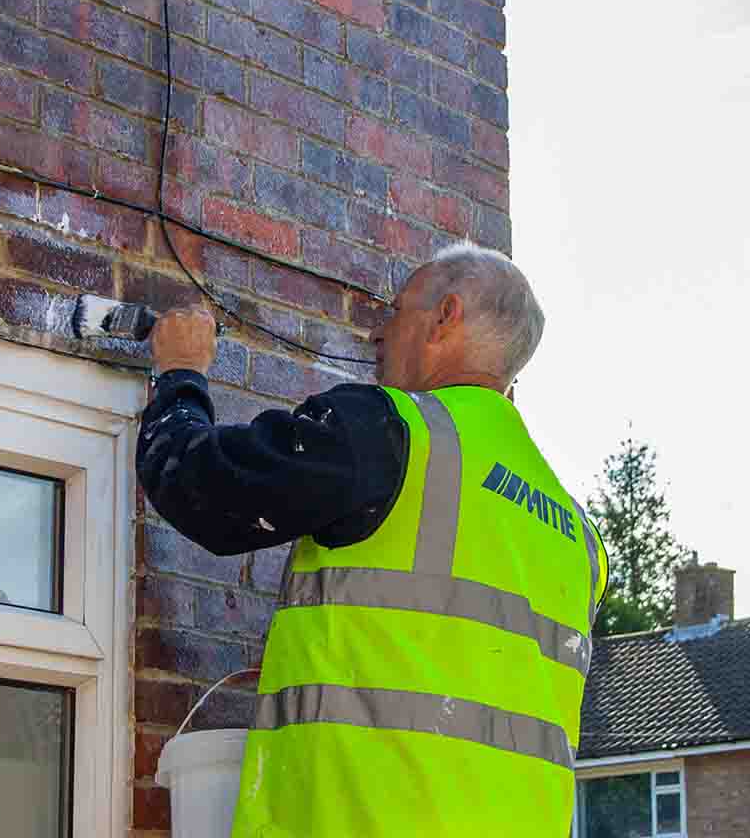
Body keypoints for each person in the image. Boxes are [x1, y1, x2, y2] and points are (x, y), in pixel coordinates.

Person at [135, 242, 609, 836]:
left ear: (446, 316)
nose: (376, 334)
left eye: (395, 310)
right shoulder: (580, 537)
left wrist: (180, 375)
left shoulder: (394, 432)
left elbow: (203, 487)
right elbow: (454, 664)